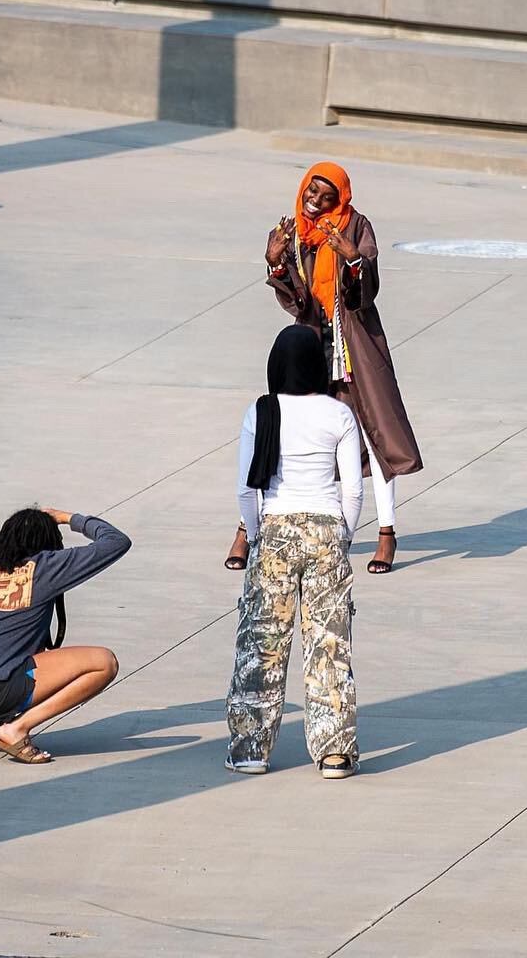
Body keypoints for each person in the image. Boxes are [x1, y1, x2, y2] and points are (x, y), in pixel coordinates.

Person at [225, 160, 422, 575]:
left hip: (357, 346)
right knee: (281, 432)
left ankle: (386, 534)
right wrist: (276, 266)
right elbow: (298, 303)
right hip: (310, 346)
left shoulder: (356, 226)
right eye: (310, 192)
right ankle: (248, 528)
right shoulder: (293, 232)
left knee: (376, 436)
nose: (315, 201)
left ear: (341, 198)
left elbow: (364, 293)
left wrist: (353, 261)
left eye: (325, 196)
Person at [227, 325, 364, 779]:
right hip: (326, 529)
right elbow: (353, 490)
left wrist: (255, 532)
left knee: (262, 643)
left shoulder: (261, 411)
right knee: (329, 644)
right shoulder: (340, 414)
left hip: (276, 532)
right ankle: (334, 752)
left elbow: (248, 488)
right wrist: (342, 534)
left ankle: (251, 748)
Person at [0, 506, 130, 764]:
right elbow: (116, 542)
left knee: (6, 656)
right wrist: (69, 518)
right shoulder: (46, 566)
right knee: (104, 662)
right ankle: (16, 729)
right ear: (48, 542)